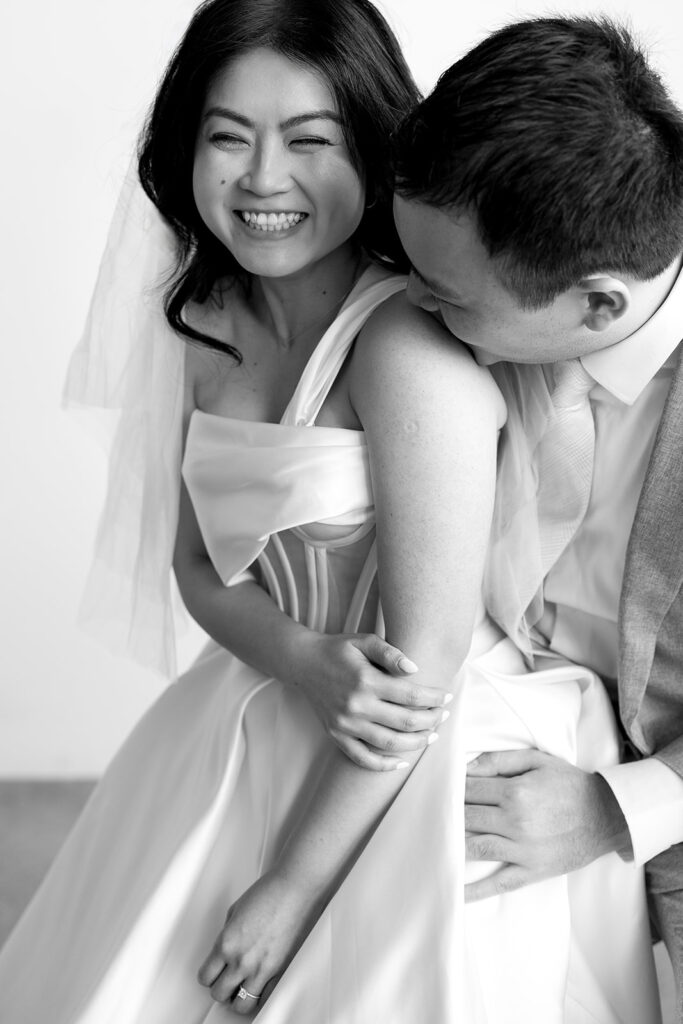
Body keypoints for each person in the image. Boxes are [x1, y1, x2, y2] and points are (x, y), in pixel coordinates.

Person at [0, 3, 660, 1022]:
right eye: (227, 136)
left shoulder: (407, 341)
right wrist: (299, 658)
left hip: (433, 735)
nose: (263, 179)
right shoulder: (201, 323)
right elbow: (193, 566)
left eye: (310, 140)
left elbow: (425, 660)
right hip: (272, 697)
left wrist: (293, 885)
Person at [392, 11, 683, 1012]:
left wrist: (612, 809)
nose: (414, 310)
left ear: (597, 304)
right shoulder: (475, 318)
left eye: (446, 296)